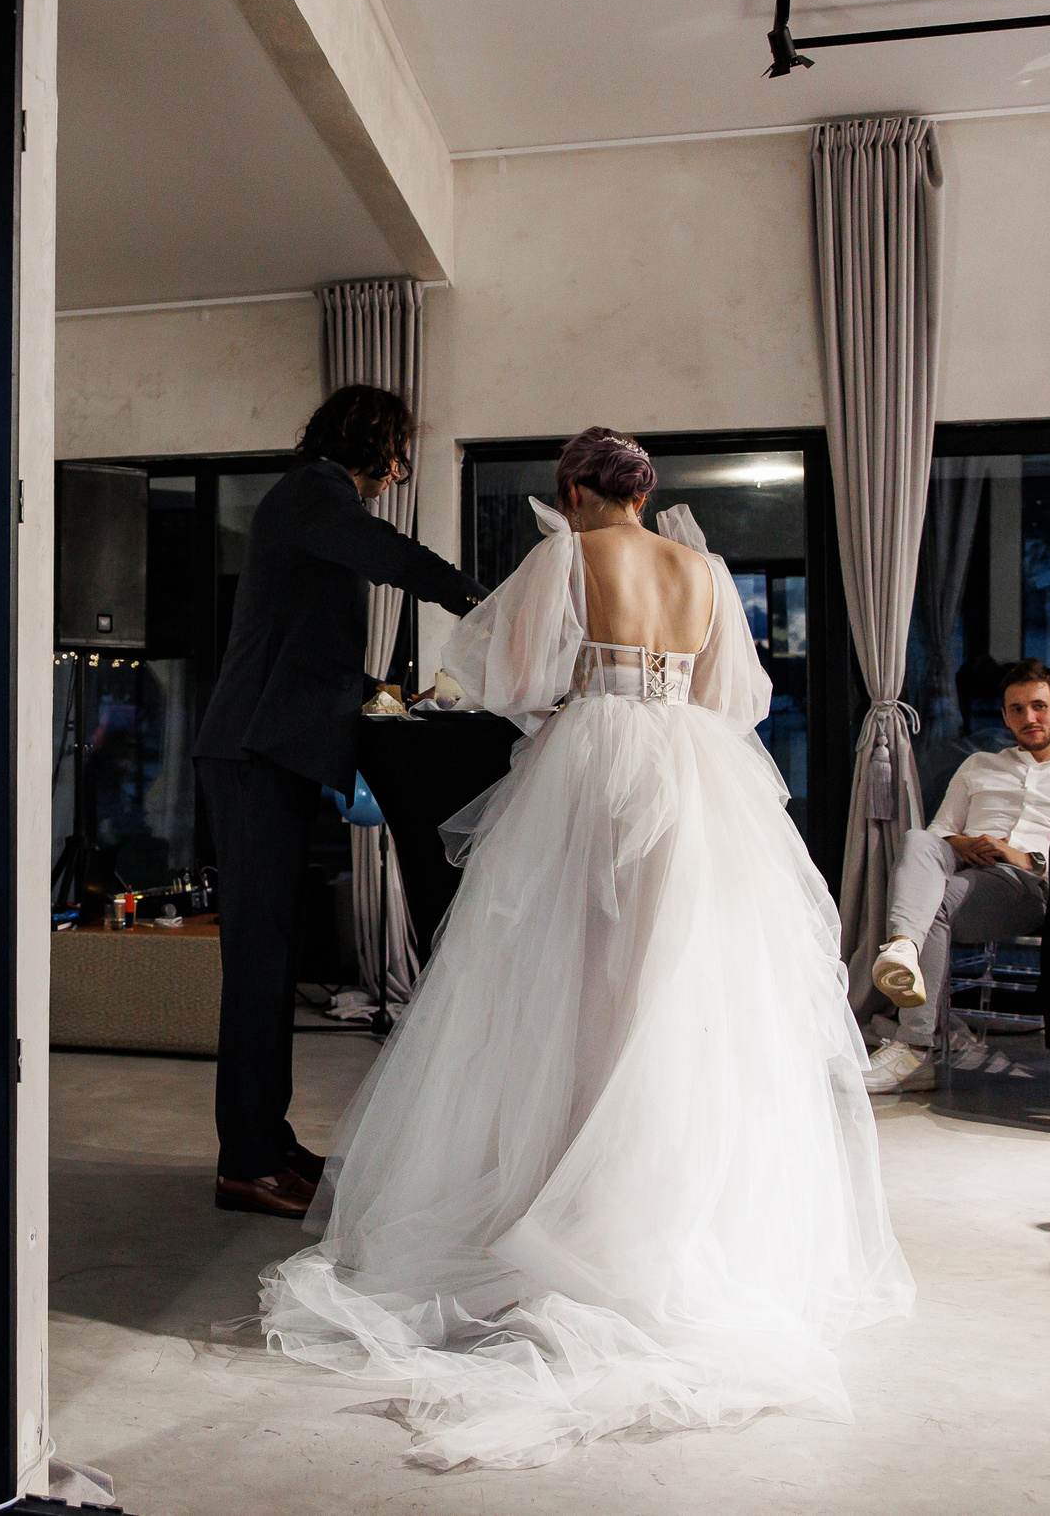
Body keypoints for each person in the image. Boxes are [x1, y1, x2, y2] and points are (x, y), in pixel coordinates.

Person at [259, 428, 911, 1469]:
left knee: (559, 984)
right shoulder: (700, 568)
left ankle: (561, 1179)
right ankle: (648, 1196)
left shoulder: (565, 553)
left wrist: (565, 705)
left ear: (573, 491)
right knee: (668, 989)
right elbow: (737, 699)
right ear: (644, 496)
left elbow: (506, 673)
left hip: (596, 768)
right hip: (696, 780)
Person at [193, 385, 486, 1219]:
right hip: (253, 755)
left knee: (275, 959)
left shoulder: (306, 506)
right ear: (370, 443)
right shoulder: (315, 494)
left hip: (267, 750)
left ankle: (267, 1139)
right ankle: (245, 1159)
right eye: (396, 453)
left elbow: (308, 653)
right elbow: (390, 554)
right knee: (257, 963)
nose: (397, 472)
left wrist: (387, 695)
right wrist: (478, 597)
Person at [864, 660, 1050, 1094]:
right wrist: (963, 844)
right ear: (1005, 715)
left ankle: (914, 1046)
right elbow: (938, 835)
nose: (1029, 718)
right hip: (966, 869)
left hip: (1034, 889)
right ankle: (902, 949)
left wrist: (1024, 857)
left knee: (933, 903)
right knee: (919, 840)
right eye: (1016, 709)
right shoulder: (979, 765)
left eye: (1039, 707)